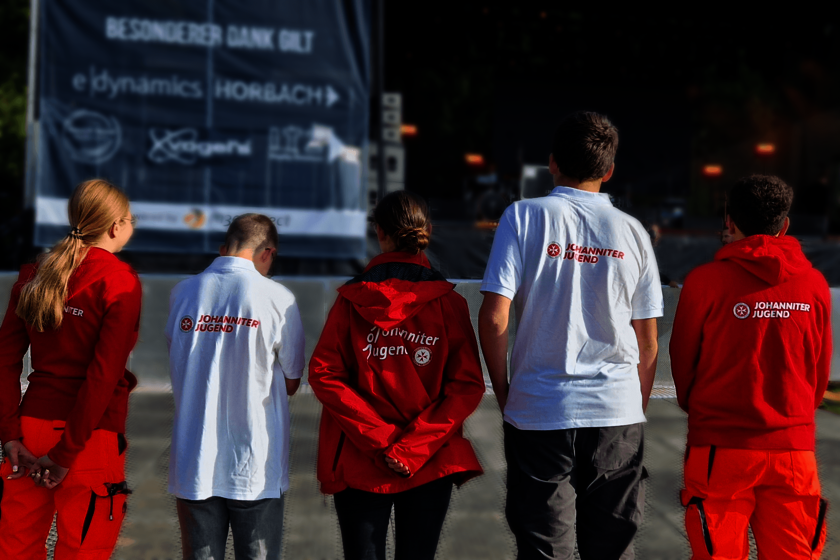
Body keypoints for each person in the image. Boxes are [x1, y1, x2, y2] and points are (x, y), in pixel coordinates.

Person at [479, 111, 663, 560]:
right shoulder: (634, 231)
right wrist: (630, 408)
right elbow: (649, 342)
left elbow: (495, 318)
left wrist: (506, 393)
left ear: (552, 163)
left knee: (545, 548)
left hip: (540, 408)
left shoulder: (522, 217)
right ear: (610, 170)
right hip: (616, 409)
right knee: (612, 548)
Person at [309, 191, 485, 560]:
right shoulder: (449, 303)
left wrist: (380, 441)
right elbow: (466, 387)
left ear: (379, 233)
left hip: (361, 457)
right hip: (428, 458)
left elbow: (325, 374)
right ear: (428, 231)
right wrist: (409, 449)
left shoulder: (350, 300)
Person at [670, 175, 831, 559]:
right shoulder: (814, 284)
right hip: (793, 450)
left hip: (720, 448)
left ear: (729, 222)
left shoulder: (704, 282)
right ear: (785, 224)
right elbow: (819, 371)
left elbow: (682, 362)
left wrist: (704, 409)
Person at [0, 179, 140, 559]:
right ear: (116, 226)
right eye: (131, 220)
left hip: (30, 431)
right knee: (83, 552)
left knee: (16, 549)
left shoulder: (34, 274)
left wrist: (10, 436)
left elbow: (5, 361)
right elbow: (103, 375)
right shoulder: (118, 280)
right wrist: (65, 454)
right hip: (89, 438)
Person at [164, 213, 305, 560]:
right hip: (255, 462)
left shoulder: (183, 293)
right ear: (267, 253)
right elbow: (291, 380)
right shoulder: (277, 298)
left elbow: (182, 364)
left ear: (223, 248)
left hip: (194, 458)